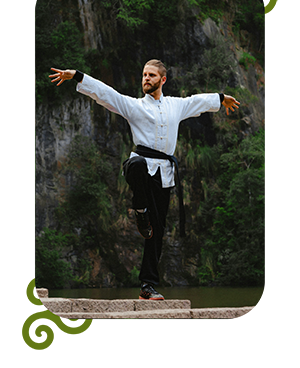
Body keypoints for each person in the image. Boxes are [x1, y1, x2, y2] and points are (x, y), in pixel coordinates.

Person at [49, 60, 240, 300]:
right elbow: (106, 93)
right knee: (137, 163)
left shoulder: (175, 106)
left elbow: (196, 101)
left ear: (163, 80)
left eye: (151, 75)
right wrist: (77, 76)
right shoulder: (134, 106)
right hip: (139, 169)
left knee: (157, 232)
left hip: (164, 175)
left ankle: (147, 286)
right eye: (143, 75)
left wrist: (222, 98)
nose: (146, 79)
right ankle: (140, 209)